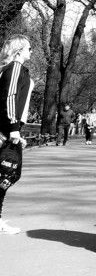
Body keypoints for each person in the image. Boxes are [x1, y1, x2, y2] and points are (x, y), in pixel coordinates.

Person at [0, 35, 34, 235]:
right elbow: (10, 96)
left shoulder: (14, 69)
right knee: (7, 173)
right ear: (19, 51)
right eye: (30, 48)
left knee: (7, 174)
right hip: (6, 130)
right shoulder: (14, 68)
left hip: (9, 130)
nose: (32, 51)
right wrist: (13, 127)